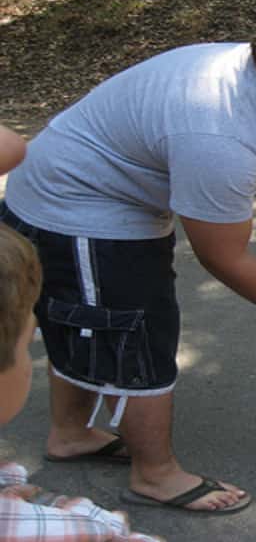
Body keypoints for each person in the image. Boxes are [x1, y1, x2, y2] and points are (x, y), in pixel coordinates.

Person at [1, 0, 256, 514]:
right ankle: (156, 476)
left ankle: (70, 435)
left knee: (96, 320)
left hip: (116, 195)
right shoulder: (216, 124)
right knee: (136, 329)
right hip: (76, 204)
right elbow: (225, 258)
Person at [0, 125, 163, 541]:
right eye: (27, 337)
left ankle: (75, 435)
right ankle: (158, 473)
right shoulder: (82, 532)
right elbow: (11, 145)